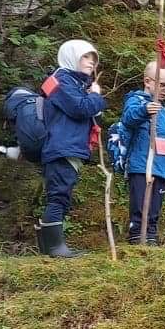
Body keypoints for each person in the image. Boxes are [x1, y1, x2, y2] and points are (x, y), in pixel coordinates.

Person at [36, 40, 107, 258]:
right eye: (85, 57)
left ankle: (49, 248)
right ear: (71, 56)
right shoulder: (60, 81)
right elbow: (81, 108)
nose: (91, 62)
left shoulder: (74, 84)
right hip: (62, 147)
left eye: (93, 58)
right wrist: (95, 95)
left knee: (61, 195)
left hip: (68, 147)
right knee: (59, 196)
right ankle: (56, 248)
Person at [119, 59, 165, 245]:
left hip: (161, 167)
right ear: (148, 81)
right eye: (162, 85)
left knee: (155, 206)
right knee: (140, 204)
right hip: (141, 165)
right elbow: (129, 118)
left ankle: (151, 237)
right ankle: (137, 236)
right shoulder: (136, 100)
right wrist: (144, 110)